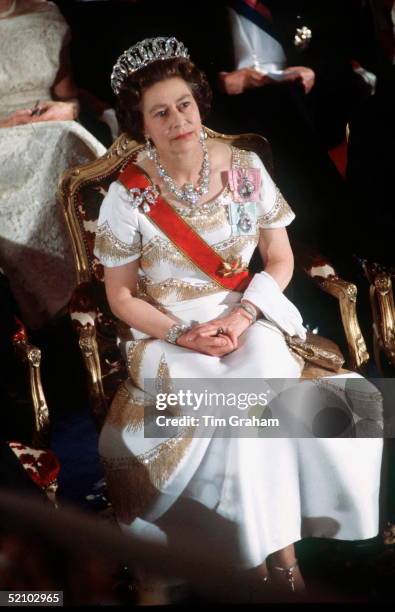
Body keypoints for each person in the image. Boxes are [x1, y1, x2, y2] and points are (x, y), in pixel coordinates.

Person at [93, 37, 383, 602]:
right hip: (167, 334)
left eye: (184, 104)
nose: (177, 119)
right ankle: (280, 566)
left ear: (200, 103)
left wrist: (246, 314)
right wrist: (183, 332)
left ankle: (266, 562)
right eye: (160, 112)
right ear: (141, 125)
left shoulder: (244, 169)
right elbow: (122, 298)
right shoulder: (127, 196)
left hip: (245, 318)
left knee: (262, 383)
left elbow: (279, 260)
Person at [0, 0, 106, 329]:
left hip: (53, 132)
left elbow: (69, 97)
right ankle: (60, 314)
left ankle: (107, 282)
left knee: (71, 141)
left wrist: (67, 111)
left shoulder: (44, 12)